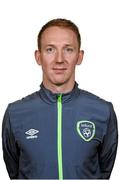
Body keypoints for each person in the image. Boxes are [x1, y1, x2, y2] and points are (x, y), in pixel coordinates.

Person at [2, 18, 118, 179]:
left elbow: (104, 172)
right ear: (38, 56)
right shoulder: (15, 113)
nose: (59, 59)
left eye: (68, 50)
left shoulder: (103, 111)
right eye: (50, 49)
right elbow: (14, 171)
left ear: (79, 56)